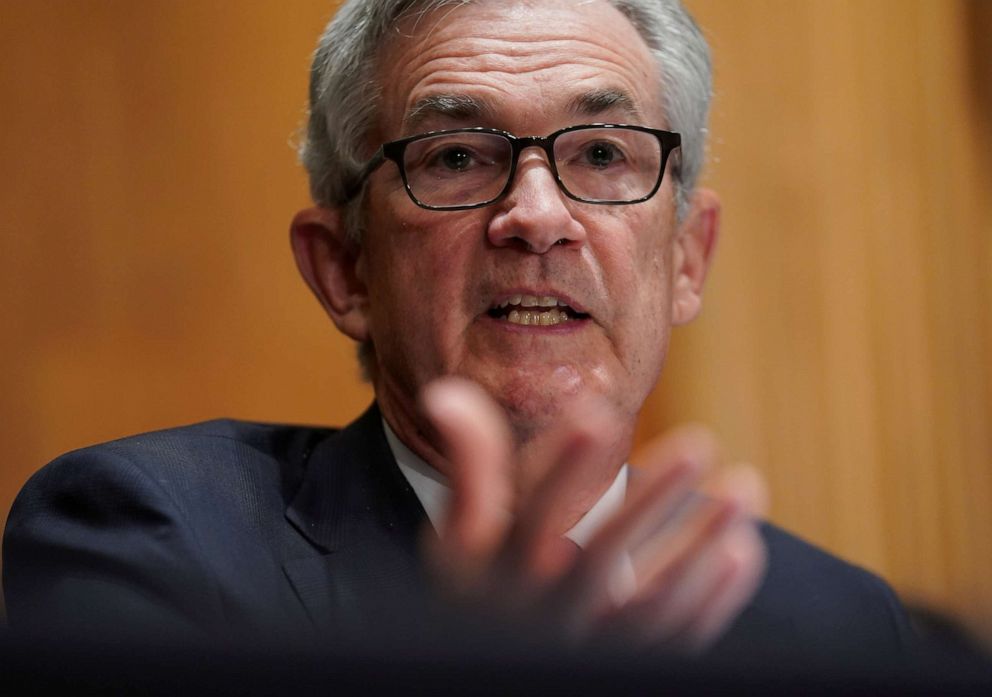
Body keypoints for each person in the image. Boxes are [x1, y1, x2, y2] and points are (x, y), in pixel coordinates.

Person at [3, 0, 914, 665]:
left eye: (601, 152)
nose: (536, 215)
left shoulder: (840, 628)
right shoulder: (146, 542)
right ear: (344, 269)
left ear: (686, 259)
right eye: (456, 157)